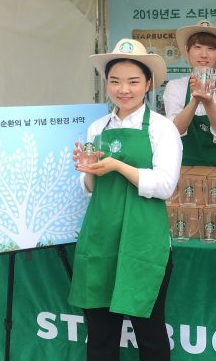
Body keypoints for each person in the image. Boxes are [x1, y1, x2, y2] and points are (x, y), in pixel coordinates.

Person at [70, 38, 183, 361]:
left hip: (143, 242)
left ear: (148, 84)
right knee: (100, 336)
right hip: (101, 238)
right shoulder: (97, 128)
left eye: (133, 81)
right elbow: (90, 188)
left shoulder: (162, 129)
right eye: (115, 81)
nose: (123, 89)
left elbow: (165, 185)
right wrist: (88, 171)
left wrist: (118, 166)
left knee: (149, 333)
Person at [163, 20, 216, 166]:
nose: (204, 54)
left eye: (211, 49)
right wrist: (196, 98)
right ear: (187, 50)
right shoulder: (174, 87)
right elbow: (174, 132)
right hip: (183, 168)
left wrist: (209, 102)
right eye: (197, 47)